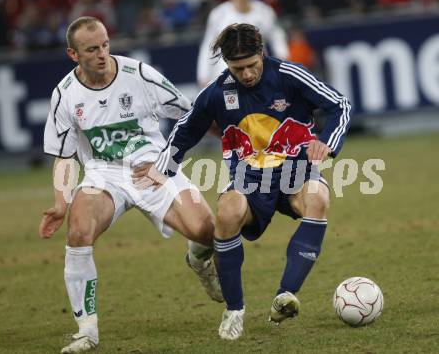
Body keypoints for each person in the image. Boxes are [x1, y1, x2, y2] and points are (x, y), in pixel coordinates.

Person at [136, 23, 351, 340]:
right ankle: (234, 310)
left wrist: (328, 143)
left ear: (262, 53)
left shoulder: (289, 75)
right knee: (227, 213)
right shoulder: (216, 93)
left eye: (252, 65)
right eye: (238, 68)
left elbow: (339, 105)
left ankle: (286, 295)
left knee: (317, 198)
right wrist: (160, 169)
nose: (247, 74)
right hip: (248, 176)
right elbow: (185, 131)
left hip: (296, 168)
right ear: (227, 64)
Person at [38, 16, 223, 354]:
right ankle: (87, 331)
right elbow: (65, 158)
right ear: (72, 54)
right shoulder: (65, 95)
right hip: (103, 175)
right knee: (79, 231)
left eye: (105, 45)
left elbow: (191, 113)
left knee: (207, 230)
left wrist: (228, 139)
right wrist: (61, 203)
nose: (102, 54)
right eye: (91, 49)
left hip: (153, 167)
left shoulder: (138, 74)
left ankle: (198, 260)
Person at [196, 0, 288, 87]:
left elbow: (278, 39)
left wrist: (283, 65)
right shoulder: (218, 14)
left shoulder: (265, 11)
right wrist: (203, 76)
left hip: (257, 70)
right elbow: (208, 46)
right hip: (226, 71)